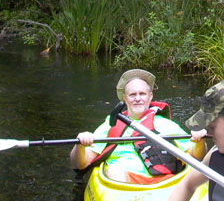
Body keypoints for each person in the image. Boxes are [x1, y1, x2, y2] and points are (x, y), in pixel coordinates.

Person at [70, 68, 207, 184]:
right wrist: (80, 145)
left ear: (150, 96)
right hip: (125, 182)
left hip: (165, 182)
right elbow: (80, 163)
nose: (138, 98)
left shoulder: (165, 124)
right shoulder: (111, 124)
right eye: (132, 94)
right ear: (124, 98)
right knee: (113, 170)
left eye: (142, 94)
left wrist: (200, 142)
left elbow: (195, 156)